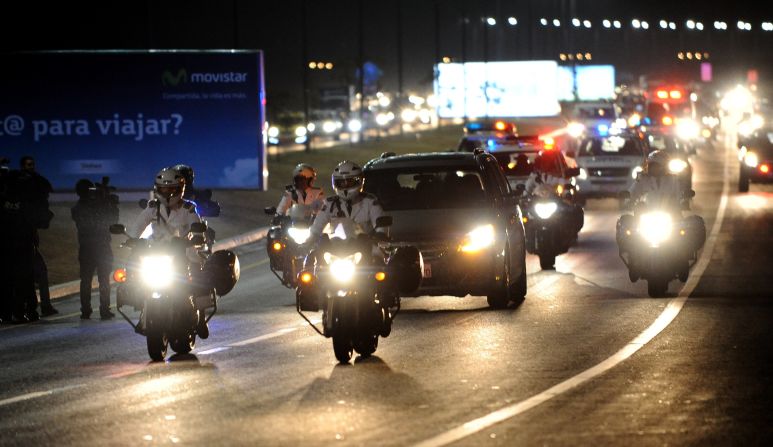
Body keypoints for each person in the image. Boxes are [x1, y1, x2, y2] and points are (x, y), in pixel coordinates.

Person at [128, 167, 209, 337]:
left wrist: (197, 238)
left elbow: (197, 229)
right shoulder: (152, 207)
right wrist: (131, 239)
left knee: (198, 277)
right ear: (157, 189)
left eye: (171, 189)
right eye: (163, 189)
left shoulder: (189, 208)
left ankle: (200, 318)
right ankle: (144, 313)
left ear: (180, 189)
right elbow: (138, 226)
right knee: (137, 276)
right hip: (157, 253)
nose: (167, 192)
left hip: (183, 253)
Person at [71, 178, 119, 320]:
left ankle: (86, 310)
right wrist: (108, 203)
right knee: (103, 279)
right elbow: (112, 221)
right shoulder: (96, 207)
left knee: (86, 280)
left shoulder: (77, 208)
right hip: (100, 246)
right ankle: (104, 309)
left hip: (86, 248)